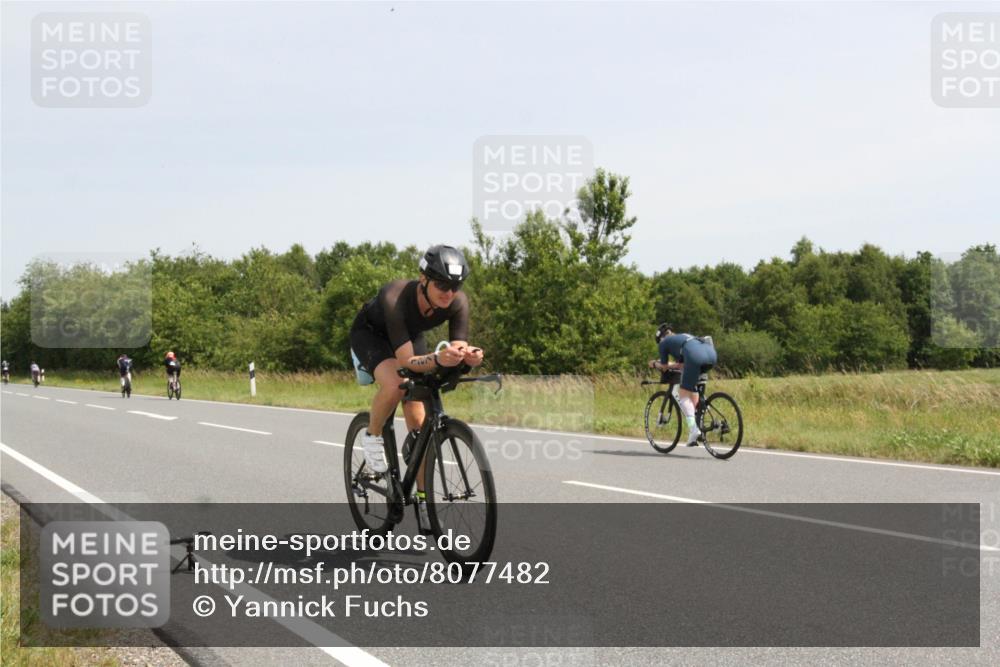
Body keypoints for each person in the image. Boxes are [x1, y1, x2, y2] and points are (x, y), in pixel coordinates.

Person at [349, 245, 484, 520]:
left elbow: (457, 347)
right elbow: (408, 362)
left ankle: (424, 500)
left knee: (421, 426)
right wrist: (438, 358)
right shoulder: (395, 296)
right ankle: (372, 436)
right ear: (423, 279)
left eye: (455, 286)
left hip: (409, 336)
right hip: (372, 335)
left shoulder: (457, 302)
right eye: (441, 285)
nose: (449, 293)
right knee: (396, 383)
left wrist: (467, 357)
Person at [649, 324, 718, 445]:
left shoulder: (664, 343)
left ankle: (693, 429)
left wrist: (655, 363)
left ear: (660, 339)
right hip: (711, 355)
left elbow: (664, 367)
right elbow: (681, 365)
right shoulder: (683, 337)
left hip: (695, 357)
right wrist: (672, 365)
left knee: (683, 396)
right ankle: (704, 414)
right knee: (692, 389)